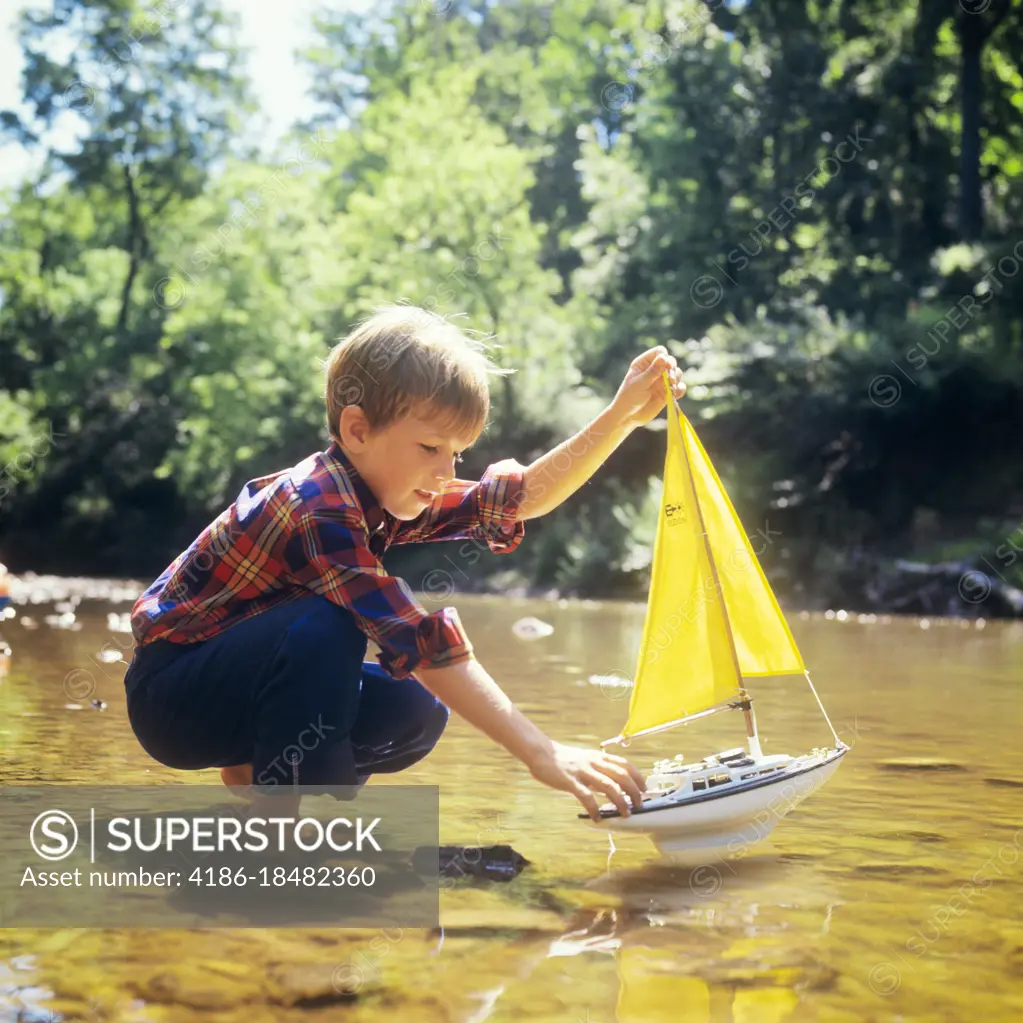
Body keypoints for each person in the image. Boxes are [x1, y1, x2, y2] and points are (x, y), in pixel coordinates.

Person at [123, 305, 686, 821]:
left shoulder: (386, 488)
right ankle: (305, 835)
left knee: (415, 711)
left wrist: (620, 418)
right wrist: (542, 751)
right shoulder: (317, 506)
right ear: (357, 430)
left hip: (237, 690)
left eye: (456, 453)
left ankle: (263, 782)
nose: (446, 471)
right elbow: (413, 638)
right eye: (430, 448)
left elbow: (515, 500)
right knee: (331, 625)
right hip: (174, 698)